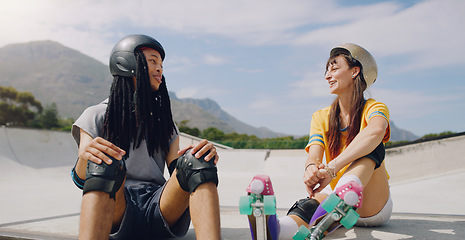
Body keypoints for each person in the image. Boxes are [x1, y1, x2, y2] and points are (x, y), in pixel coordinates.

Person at [70, 34, 221, 240]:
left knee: (198, 161)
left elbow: (178, 171)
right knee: (105, 163)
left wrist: (198, 158)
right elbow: (80, 178)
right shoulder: (95, 115)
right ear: (126, 63)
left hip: (158, 207)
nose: (160, 69)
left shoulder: (166, 124)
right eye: (152, 61)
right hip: (117, 207)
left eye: (161, 64)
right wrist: (87, 156)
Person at [277, 43, 393, 239]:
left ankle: (346, 192)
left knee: (372, 145)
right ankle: (279, 229)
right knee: (308, 205)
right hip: (338, 194)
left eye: (334, 68)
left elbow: (376, 131)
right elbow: (314, 156)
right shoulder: (321, 116)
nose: (327, 76)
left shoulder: (374, 107)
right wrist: (311, 170)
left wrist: (332, 169)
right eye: (327, 70)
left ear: (355, 71)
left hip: (373, 206)